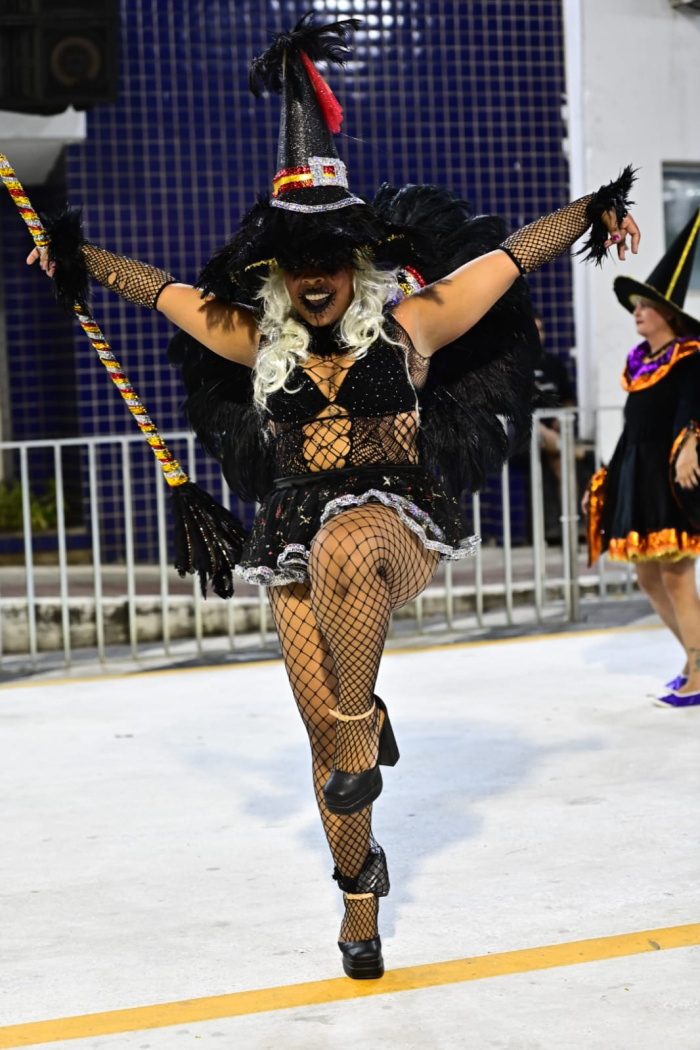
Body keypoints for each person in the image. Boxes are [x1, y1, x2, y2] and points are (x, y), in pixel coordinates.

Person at [29, 16, 639, 979]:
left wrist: (600, 206)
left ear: (357, 259)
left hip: (395, 518)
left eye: (331, 258)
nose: (315, 277)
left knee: (350, 548)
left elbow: (513, 256)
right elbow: (156, 291)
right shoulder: (248, 335)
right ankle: (360, 897)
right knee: (325, 747)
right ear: (275, 267)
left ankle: (364, 729)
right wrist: (73, 254)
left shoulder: (411, 326)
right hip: (287, 532)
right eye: (296, 260)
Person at [586, 210, 700, 709]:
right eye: (635, 304)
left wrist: (693, 443)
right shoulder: (640, 363)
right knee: (648, 575)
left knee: (675, 572)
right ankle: (694, 660)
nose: (636, 310)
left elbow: (692, 408)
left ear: (667, 313)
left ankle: (699, 671)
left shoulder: (690, 356)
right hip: (639, 473)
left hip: (672, 475)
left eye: (645, 305)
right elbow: (634, 426)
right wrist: (610, 474)